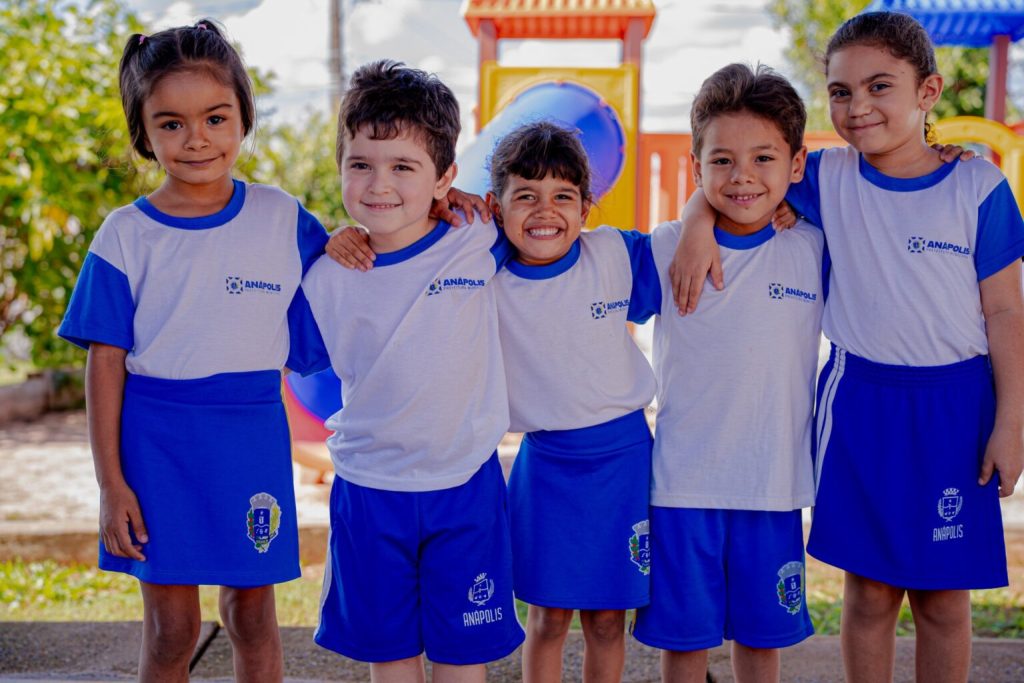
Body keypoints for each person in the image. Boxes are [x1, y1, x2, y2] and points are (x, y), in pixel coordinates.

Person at [670, 12, 1024, 683]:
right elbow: (736, 172)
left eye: (879, 86)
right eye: (840, 91)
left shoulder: (979, 187)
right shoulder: (825, 177)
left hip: (957, 407)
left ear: (929, 91)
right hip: (860, 404)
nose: (857, 106)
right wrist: (695, 220)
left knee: (944, 598)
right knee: (867, 593)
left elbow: (1007, 310)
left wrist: (1012, 420)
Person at [326, 120, 660, 682]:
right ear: (496, 206)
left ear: (586, 208)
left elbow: (701, 239)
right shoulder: (483, 265)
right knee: (547, 616)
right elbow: (406, 227)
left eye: (563, 197)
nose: (544, 211)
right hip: (545, 465)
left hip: (622, 461)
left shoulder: (618, 255)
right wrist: (344, 231)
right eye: (525, 196)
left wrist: (764, 213)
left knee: (606, 620)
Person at [58, 20, 328, 682]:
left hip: (250, 438)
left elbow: (362, 268)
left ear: (243, 117)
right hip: (157, 446)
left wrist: (444, 203)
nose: (196, 137)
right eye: (171, 122)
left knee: (254, 618)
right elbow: (104, 364)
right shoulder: (125, 237)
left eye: (215, 116)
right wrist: (111, 483)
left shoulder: (283, 218)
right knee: (171, 627)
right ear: (143, 133)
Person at [286, 60, 524, 683]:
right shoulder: (325, 277)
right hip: (370, 491)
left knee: (461, 664)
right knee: (390, 663)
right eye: (360, 164)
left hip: (464, 487)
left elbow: (554, 227)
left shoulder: (479, 236)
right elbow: (287, 358)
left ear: (445, 176)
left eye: (403, 166)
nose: (378, 183)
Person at [626, 64, 821, 683]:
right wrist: (693, 221)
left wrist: (698, 215)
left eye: (764, 158)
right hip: (684, 486)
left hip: (773, 485)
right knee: (683, 644)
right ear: (696, 166)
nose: (742, 176)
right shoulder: (663, 247)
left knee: (762, 644)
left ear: (796, 165)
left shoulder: (815, 245)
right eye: (722, 161)